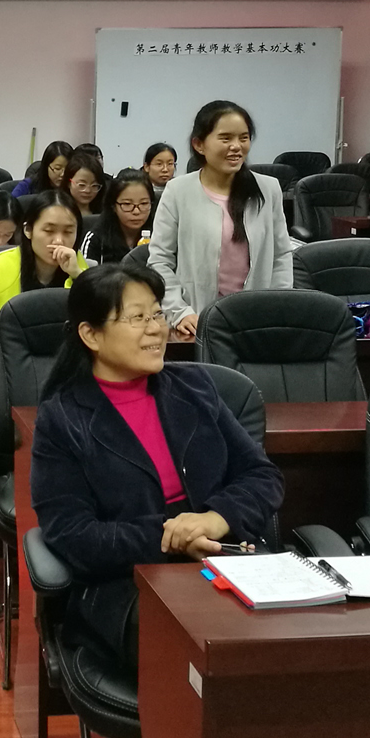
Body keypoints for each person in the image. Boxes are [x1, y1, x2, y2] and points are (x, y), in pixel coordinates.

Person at [30, 261, 283, 676]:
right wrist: (173, 539)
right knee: (207, 649)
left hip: (224, 559)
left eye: (157, 315)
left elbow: (262, 476)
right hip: (125, 583)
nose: (156, 329)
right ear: (91, 335)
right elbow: (73, 535)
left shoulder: (194, 387)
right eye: (137, 318)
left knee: (299, 642)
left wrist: (215, 519)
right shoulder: (63, 419)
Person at [147, 100, 294, 341]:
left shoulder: (268, 189)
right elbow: (160, 260)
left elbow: (281, 255)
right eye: (225, 138)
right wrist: (179, 311)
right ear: (199, 144)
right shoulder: (178, 191)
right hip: (197, 322)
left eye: (243, 138)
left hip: (258, 323)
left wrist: (276, 308)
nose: (236, 146)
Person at [0, 190, 87, 333]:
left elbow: (100, 318)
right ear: (28, 230)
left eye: (68, 232)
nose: (59, 241)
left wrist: (78, 276)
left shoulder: (81, 267)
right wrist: (19, 320)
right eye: (49, 231)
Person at [82, 169, 155, 265]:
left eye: (144, 203)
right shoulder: (96, 238)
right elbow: (84, 272)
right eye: (127, 204)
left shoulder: (160, 236)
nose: (136, 211)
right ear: (113, 206)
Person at [62, 148, 106, 217]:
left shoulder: (104, 214)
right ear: (69, 183)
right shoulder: (58, 211)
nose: (88, 191)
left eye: (94, 186)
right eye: (82, 185)